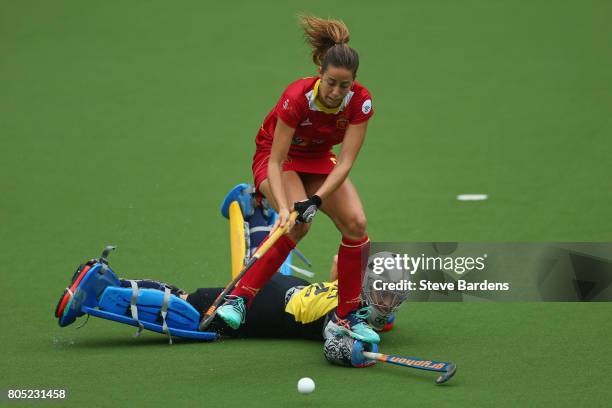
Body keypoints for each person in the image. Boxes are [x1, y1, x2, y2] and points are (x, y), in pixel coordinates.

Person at [215, 15, 378, 343]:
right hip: (279, 158)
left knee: (357, 224)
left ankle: (347, 316)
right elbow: (275, 160)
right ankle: (238, 299)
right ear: (322, 73)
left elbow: (344, 163)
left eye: (344, 85)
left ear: (353, 82)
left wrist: (315, 200)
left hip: (319, 160)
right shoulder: (297, 97)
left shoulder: (360, 103)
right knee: (295, 224)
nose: (335, 91)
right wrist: (285, 207)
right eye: (331, 82)